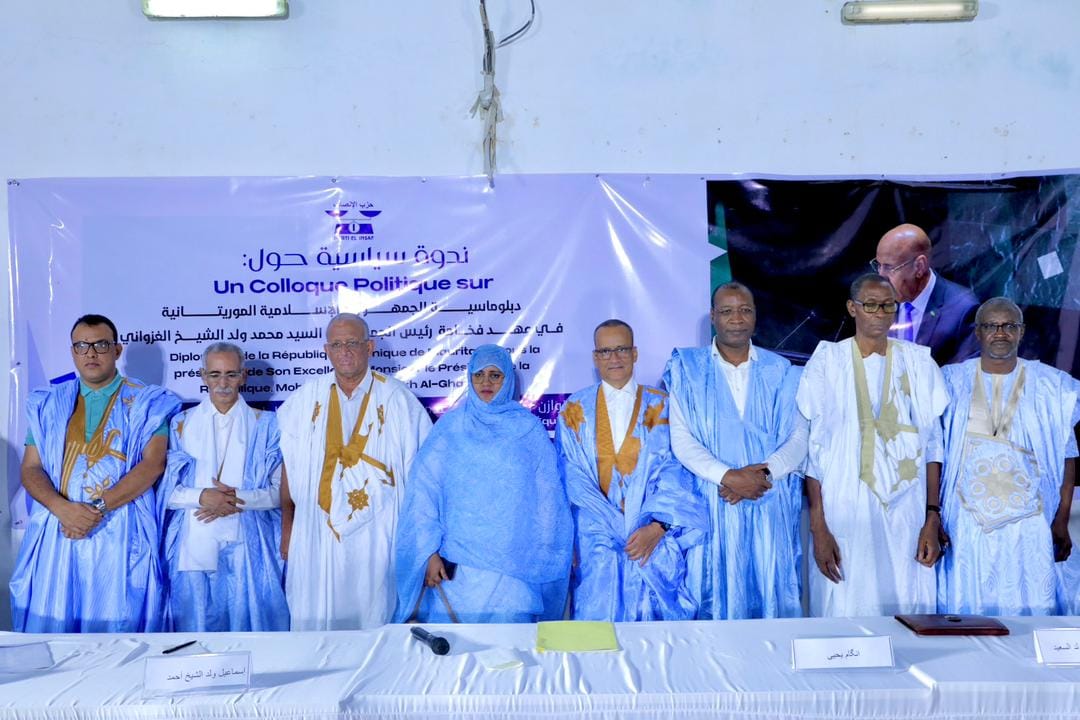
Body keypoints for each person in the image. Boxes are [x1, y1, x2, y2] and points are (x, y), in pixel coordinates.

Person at [10, 314, 179, 632]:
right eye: (81, 346)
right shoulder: (48, 403)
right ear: (72, 351)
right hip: (60, 531)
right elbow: (31, 468)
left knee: (119, 632)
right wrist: (63, 509)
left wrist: (96, 510)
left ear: (117, 350)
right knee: (55, 629)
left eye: (101, 345)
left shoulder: (148, 402)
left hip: (121, 529)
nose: (90, 353)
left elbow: (153, 464)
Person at [797, 274, 948, 617]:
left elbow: (933, 447)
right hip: (844, 511)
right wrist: (818, 526)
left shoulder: (919, 363)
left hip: (907, 513)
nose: (880, 313)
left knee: (908, 608)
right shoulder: (828, 361)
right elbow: (813, 452)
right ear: (852, 308)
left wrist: (932, 517)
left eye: (887, 305)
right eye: (870, 305)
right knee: (846, 607)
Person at [394, 345, 572, 624]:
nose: (486, 382)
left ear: (508, 380)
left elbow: (550, 503)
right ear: (469, 378)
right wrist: (427, 553)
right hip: (458, 574)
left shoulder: (529, 430)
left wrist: (548, 552)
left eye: (495, 375)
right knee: (457, 649)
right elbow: (424, 494)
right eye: (478, 375)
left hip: (515, 572)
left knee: (510, 647)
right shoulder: (450, 429)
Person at [278, 313, 432, 630]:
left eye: (352, 343)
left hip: (379, 535)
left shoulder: (399, 401)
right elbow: (289, 468)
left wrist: (422, 542)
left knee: (375, 615)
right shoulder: (303, 401)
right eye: (336, 345)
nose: (344, 351)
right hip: (316, 534)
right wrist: (288, 526)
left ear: (369, 347)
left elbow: (425, 479)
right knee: (317, 620)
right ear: (326, 350)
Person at [663, 282, 807, 620]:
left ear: (755, 316)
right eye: (727, 311)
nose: (737, 319)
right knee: (710, 602)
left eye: (745, 310)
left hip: (768, 501)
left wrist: (763, 475)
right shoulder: (688, 369)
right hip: (712, 501)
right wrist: (728, 476)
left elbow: (799, 437)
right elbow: (681, 439)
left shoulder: (781, 370)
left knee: (770, 599)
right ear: (713, 317)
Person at [556, 320, 707, 621]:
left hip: (650, 540)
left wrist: (657, 527)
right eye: (606, 351)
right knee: (597, 628)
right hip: (596, 540)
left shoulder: (662, 406)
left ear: (635, 353)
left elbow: (676, 471)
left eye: (622, 349)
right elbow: (571, 477)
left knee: (652, 632)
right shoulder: (574, 409)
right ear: (595, 357)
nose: (614, 358)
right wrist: (615, 525)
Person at [938, 298, 1079, 616]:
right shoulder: (950, 381)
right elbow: (933, 454)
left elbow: (1067, 455)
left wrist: (1061, 519)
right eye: (991, 325)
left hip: (1029, 523)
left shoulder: (1050, 386)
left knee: (1027, 610)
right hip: (965, 523)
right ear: (978, 332)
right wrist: (932, 515)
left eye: (1009, 326)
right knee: (967, 613)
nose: (1000, 333)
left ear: (1021, 331)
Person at [158, 342, 289, 631]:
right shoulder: (180, 424)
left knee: (251, 626)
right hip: (194, 539)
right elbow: (164, 490)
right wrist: (203, 497)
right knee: (195, 629)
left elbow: (279, 492)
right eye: (215, 374)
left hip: (249, 543)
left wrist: (234, 499)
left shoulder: (268, 425)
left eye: (231, 374)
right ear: (203, 376)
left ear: (244, 376)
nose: (223, 383)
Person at [874, 223, 979, 366]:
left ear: (919, 266)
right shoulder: (879, 301)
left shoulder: (963, 310)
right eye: (878, 265)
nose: (881, 277)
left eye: (889, 267)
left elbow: (966, 374)